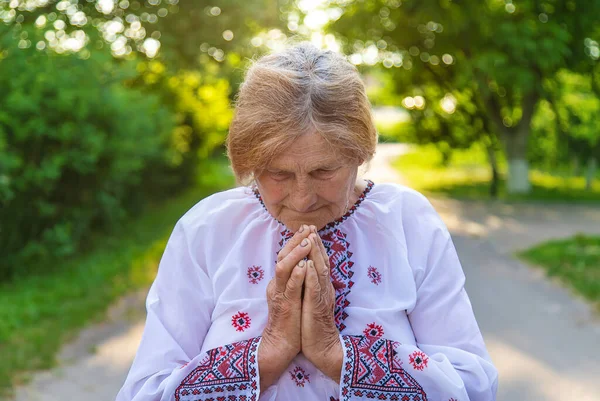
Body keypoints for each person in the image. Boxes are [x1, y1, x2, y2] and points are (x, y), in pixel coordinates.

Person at [116, 42, 498, 401]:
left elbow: (473, 385)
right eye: (277, 174)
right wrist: (268, 354)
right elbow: (145, 392)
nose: (302, 199)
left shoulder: (407, 222)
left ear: (361, 152)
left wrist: (336, 355)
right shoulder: (208, 229)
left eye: (323, 171)